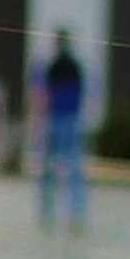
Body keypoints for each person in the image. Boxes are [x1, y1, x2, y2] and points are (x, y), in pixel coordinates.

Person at [36, 28, 89, 236]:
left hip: (55, 118)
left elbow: (44, 96)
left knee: (49, 171)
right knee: (73, 170)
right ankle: (75, 214)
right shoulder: (74, 66)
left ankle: (46, 214)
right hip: (69, 119)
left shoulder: (54, 66)